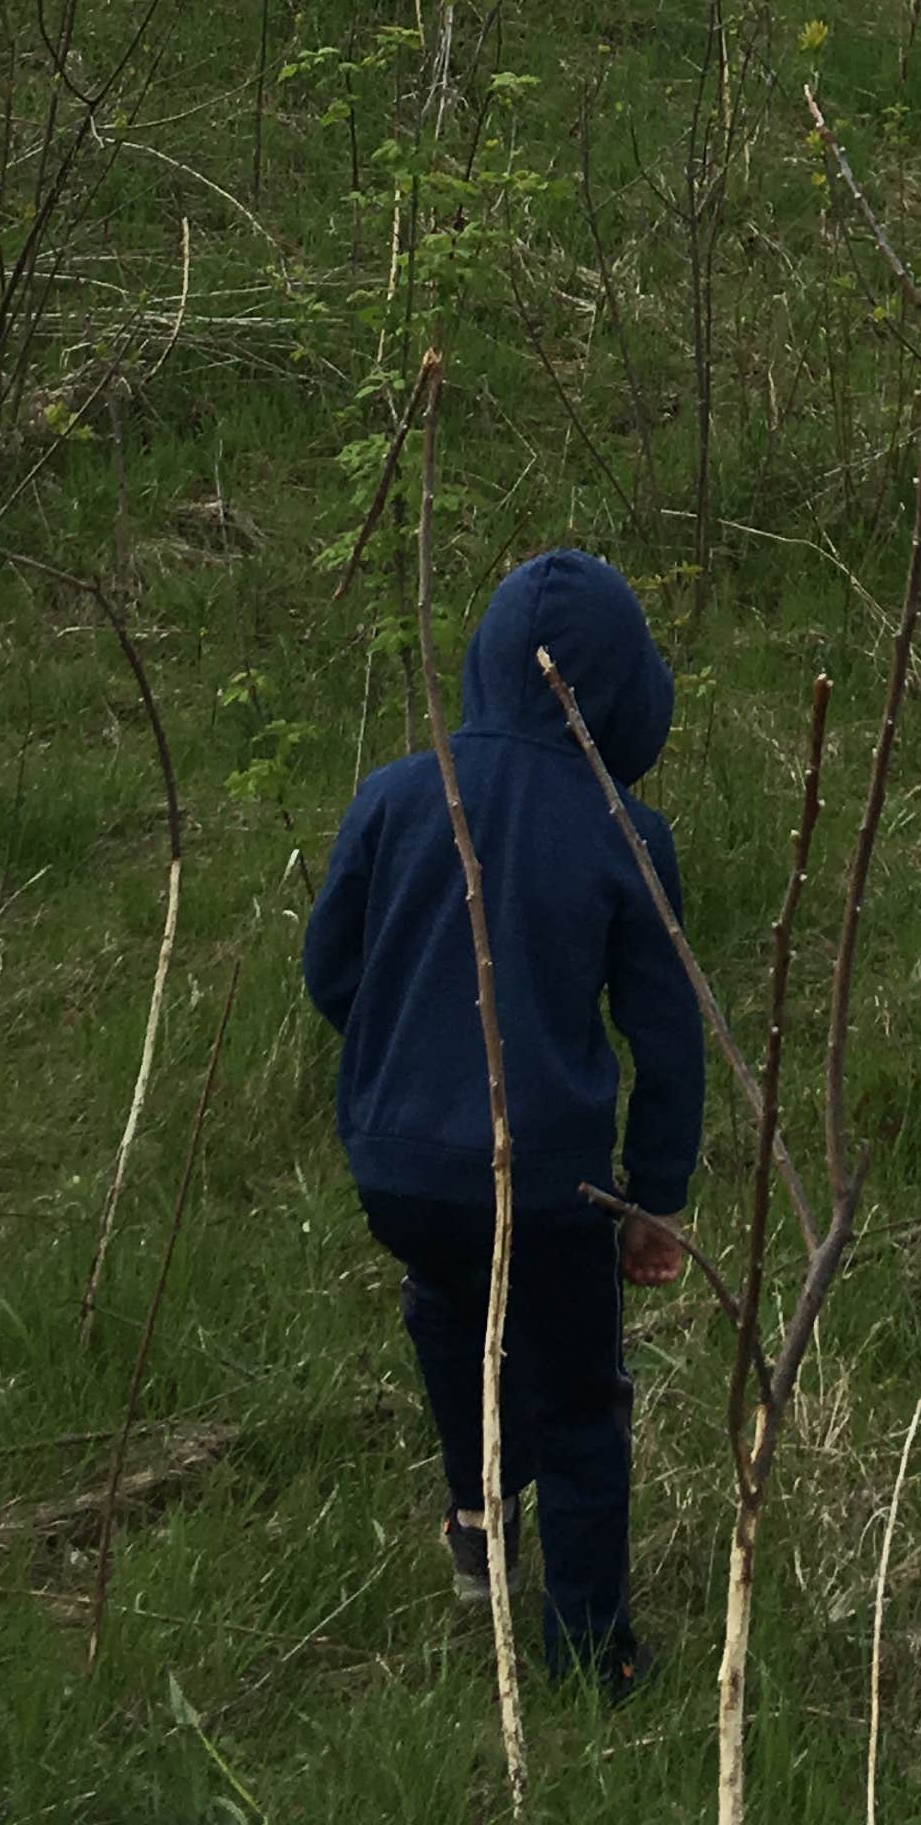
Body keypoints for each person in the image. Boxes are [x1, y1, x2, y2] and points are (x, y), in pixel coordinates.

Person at [303, 548, 701, 1692]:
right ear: (618, 694)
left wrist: (402, 1061)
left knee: (449, 1304)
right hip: (550, 1181)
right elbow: (669, 1039)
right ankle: (588, 1659)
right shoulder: (627, 836)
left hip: (399, 1173)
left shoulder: (395, 796)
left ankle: (480, 1513)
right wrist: (653, 1197)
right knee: (580, 1404)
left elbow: (330, 968)